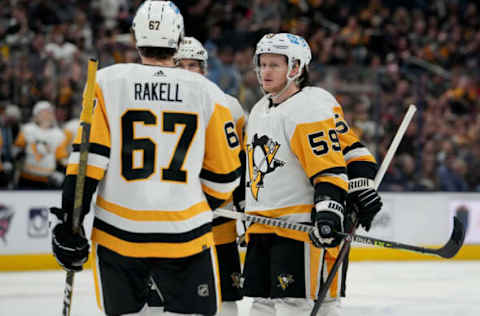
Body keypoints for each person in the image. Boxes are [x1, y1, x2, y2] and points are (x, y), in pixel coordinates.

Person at [49, 1, 241, 316]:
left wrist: (71, 221)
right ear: (179, 40)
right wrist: (193, 205)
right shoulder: (207, 92)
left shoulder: (106, 82)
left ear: (136, 36)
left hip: (117, 236)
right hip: (186, 236)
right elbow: (224, 177)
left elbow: (87, 162)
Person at [242, 33, 382, 316]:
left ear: (295, 68)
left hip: (297, 227)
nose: (265, 71)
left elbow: (333, 164)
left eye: (274, 65)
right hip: (261, 225)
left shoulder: (308, 108)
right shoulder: (259, 109)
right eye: (262, 64)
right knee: (262, 305)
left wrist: (337, 204)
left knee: (301, 305)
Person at [173, 36, 246, 316]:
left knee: (226, 296)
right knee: (173, 298)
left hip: (220, 218)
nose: (190, 71)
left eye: (195, 65)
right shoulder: (158, 104)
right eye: (183, 65)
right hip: (173, 217)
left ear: (205, 68)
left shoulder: (229, 106)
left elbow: (241, 163)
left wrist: (244, 207)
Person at [13, 101, 68, 189]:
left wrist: (62, 172)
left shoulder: (59, 135)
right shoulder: (27, 130)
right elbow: (17, 151)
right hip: (26, 178)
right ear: (36, 115)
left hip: (47, 180)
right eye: (43, 112)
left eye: (49, 112)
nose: (46, 115)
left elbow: (61, 158)